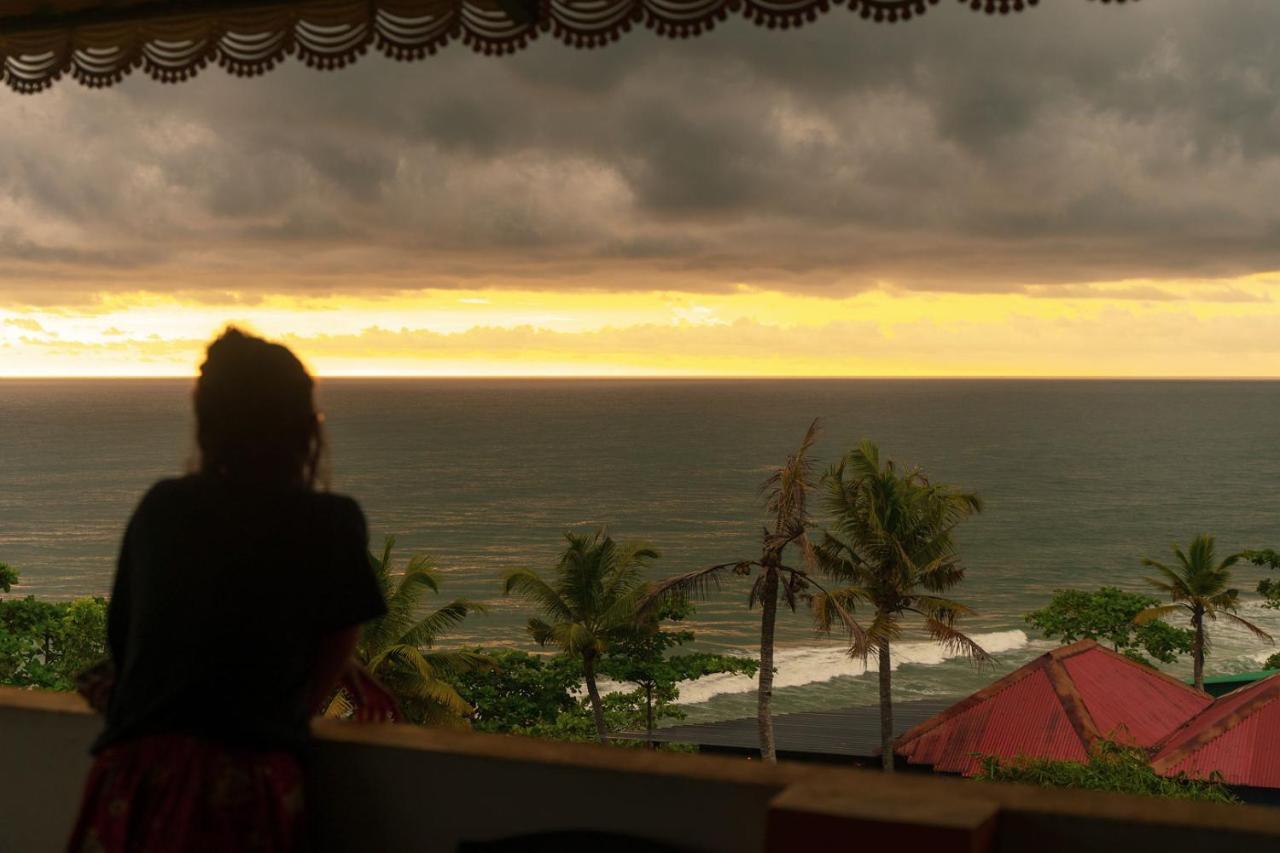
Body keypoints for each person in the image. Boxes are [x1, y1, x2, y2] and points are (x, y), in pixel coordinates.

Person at [67, 327, 396, 853]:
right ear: (303, 426)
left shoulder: (164, 509)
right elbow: (311, 665)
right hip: (238, 794)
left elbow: (134, 638)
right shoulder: (329, 522)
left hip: (132, 783)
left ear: (207, 424)